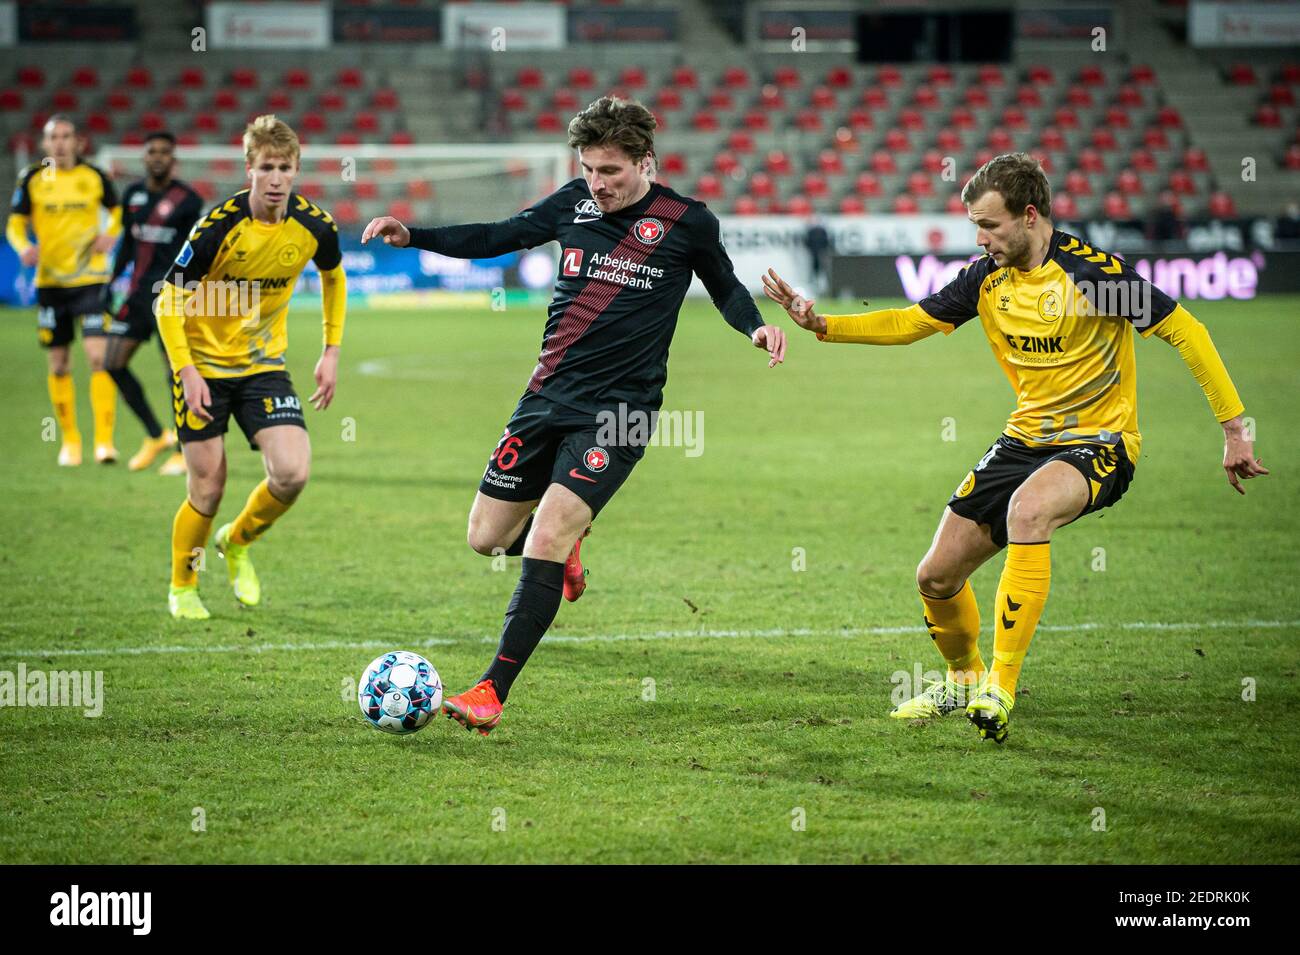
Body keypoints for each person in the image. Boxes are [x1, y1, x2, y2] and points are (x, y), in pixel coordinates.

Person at [764, 152, 1267, 744]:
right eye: (975, 226)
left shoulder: (1091, 276)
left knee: (1028, 511)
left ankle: (1000, 686)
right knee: (936, 576)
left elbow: (1187, 330)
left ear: (1030, 216)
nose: (981, 239)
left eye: (990, 225)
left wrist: (1234, 429)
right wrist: (824, 326)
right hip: (1024, 440)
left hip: (1100, 442)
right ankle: (963, 677)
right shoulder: (988, 277)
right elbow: (913, 322)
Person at [362, 96, 786, 734]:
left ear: (646, 161)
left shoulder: (686, 221)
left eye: (611, 170)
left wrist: (753, 328)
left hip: (623, 412)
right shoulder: (572, 203)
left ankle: (491, 691)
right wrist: (413, 235)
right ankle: (568, 539)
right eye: (589, 168)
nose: (598, 182)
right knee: (485, 538)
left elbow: (724, 284)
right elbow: (497, 236)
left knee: (545, 538)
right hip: (546, 398)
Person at [157, 115, 347, 620]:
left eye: (286, 167)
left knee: (292, 474)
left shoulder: (315, 227)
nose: (278, 178)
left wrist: (331, 350)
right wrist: (186, 371)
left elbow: (334, 277)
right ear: (250, 170)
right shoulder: (218, 227)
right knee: (208, 487)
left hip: (263, 366)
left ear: (296, 170)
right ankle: (183, 584)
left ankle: (236, 542)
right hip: (203, 367)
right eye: (268, 167)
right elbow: (166, 302)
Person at [6, 115, 122, 465]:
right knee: (58, 364)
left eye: (65, 136)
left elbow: (116, 211)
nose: (59, 143)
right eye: (52, 137)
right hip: (51, 283)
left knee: (99, 358)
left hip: (91, 280)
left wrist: (110, 233)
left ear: (78, 142)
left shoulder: (94, 177)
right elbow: (15, 223)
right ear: (44, 145)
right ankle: (69, 441)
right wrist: (22, 246)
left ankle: (104, 442)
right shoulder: (33, 179)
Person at [103, 130, 205, 474]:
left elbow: (198, 251)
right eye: (152, 151)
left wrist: (192, 295)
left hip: (171, 296)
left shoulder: (188, 201)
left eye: (164, 152)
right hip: (136, 294)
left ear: (172, 160)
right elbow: (127, 245)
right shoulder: (131, 195)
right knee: (112, 362)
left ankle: (184, 446)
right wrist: (110, 282)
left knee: (175, 372)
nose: (158, 157)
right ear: (144, 157)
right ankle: (154, 434)